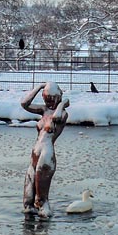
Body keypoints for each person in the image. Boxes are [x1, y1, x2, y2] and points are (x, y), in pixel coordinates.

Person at [21, 82, 69, 218]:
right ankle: (29, 213)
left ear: (58, 97)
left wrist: (62, 104)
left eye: (52, 99)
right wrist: (39, 87)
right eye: (47, 99)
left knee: (41, 195)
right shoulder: (43, 110)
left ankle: (44, 209)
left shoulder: (63, 113)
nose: (49, 103)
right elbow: (24, 104)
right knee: (28, 194)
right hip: (35, 153)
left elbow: (56, 117)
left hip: (47, 154)